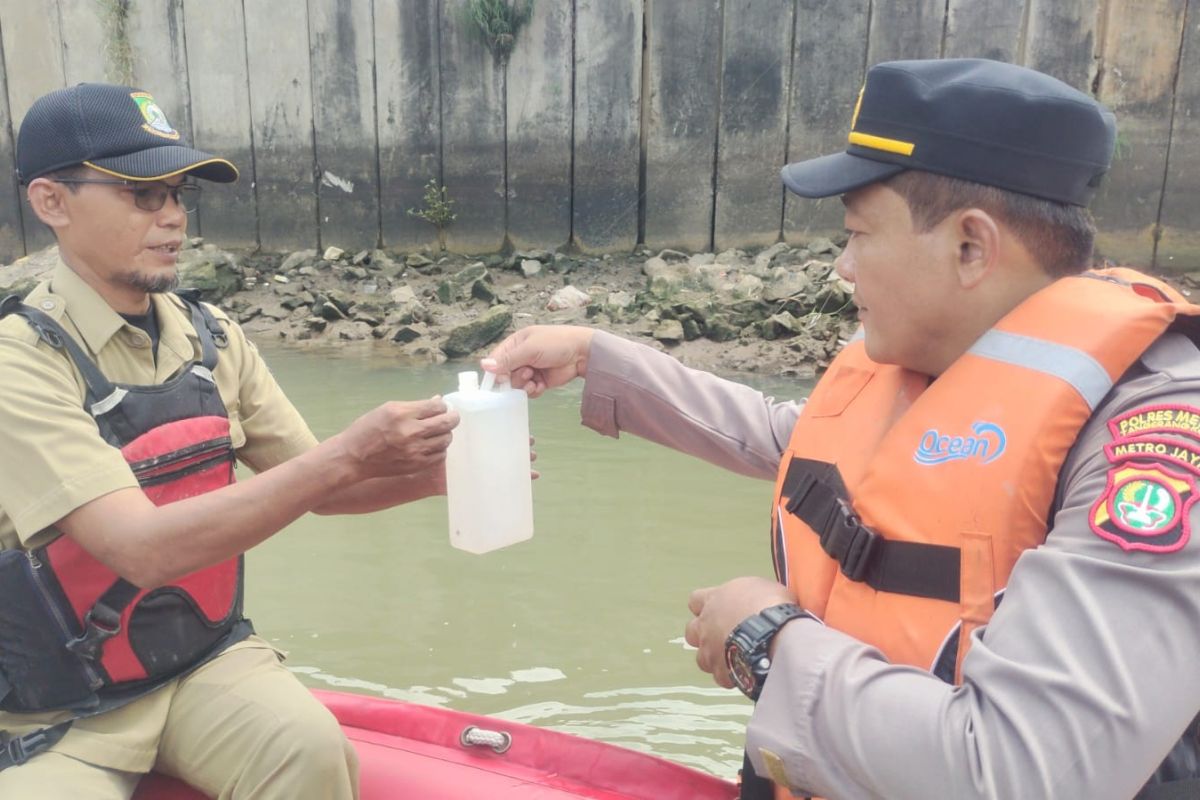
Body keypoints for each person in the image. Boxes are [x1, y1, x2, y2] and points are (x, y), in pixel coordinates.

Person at [483, 58, 1200, 798]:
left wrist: (768, 643)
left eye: (858, 234)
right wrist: (597, 358)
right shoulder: (941, 362)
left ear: (971, 248)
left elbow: (1023, 772)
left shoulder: (1152, 440)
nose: (843, 269)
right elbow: (793, 440)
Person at [0, 83, 459, 799]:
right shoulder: (20, 364)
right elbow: (140, 548)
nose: (172, 217)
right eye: (141, 195)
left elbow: (325, 488)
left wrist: (442, 472)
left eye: (178, 194)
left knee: (311, 751)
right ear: (51, 201)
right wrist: (349, 453)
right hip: (57, 713)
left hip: (201, 666)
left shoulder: (211, 337)